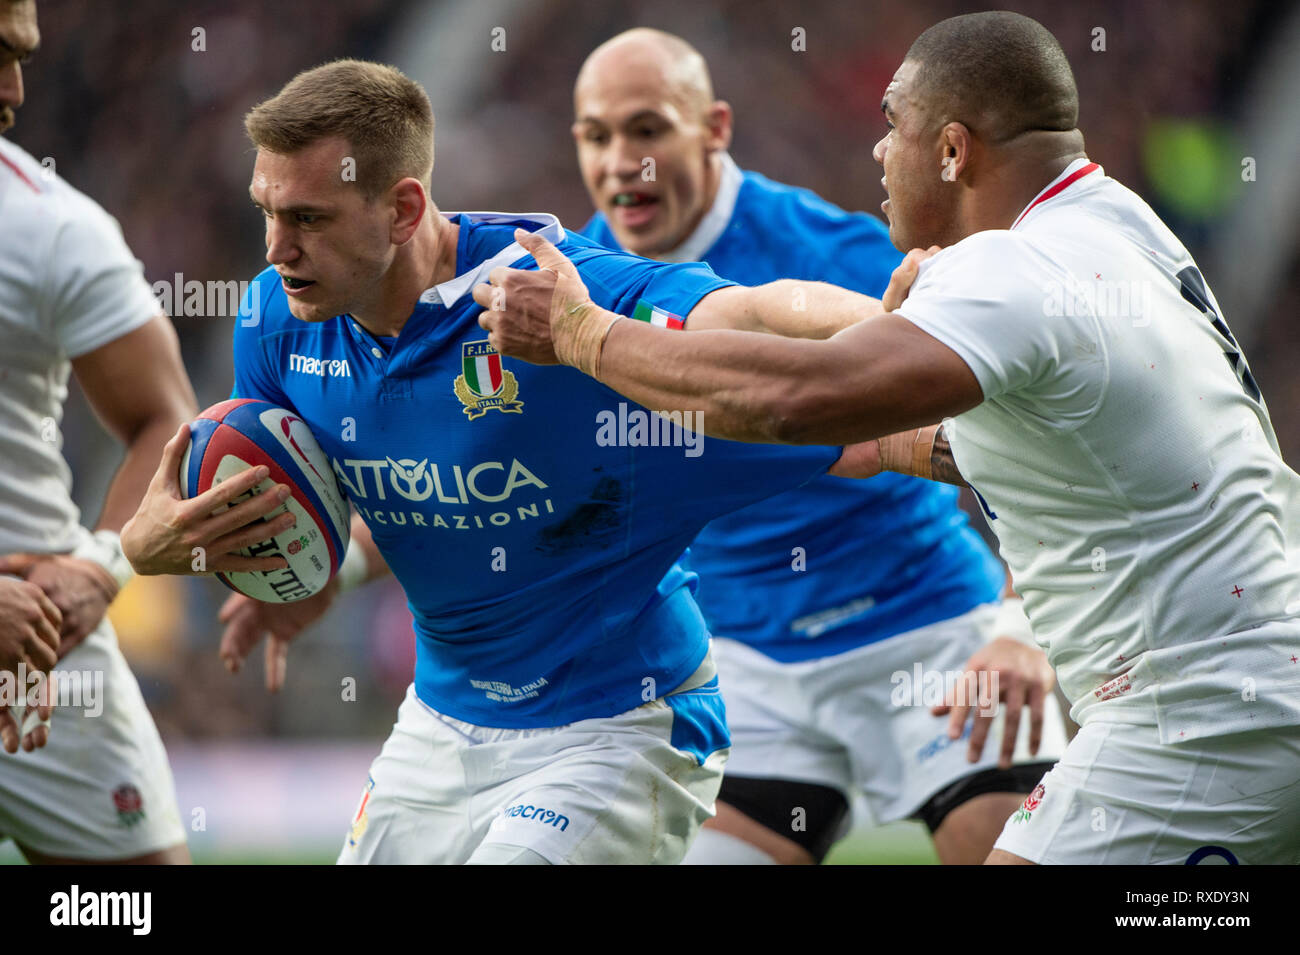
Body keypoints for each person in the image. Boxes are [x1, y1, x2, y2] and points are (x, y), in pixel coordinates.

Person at [477, 11, 1300, 865]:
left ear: (951, 150)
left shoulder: (1000, 268)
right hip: (1238, 669)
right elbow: (1011, 447)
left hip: (1191, 700)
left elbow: (797, 400)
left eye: (891, 126)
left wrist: (582, 336)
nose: (876, 152)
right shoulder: (1115, 220)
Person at [118, 58, 891, 865]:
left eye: (308, 218)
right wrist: (200, 553)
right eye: (266, 213)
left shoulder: (557, 295)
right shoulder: (276, 322)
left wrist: (901, 334)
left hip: (616, 726)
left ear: (404, 209)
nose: (276, 249)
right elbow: (390, 494)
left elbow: (753, 309)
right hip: (440, 724)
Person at [569, 28, 1064, 865]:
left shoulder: (837, 254)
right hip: (745, 664)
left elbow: (1027, 430)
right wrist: (343, 559)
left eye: (647, 129)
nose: (622, 160)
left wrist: (1024, 624)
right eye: (595, 135)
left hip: (930, 627)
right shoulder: (577, 281)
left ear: (714, 128)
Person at [0, 0, 192, 864]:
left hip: (43, 641)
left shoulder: (52, 230)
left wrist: (97, 568)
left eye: (23, 59)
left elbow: (169, 422)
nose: (11, 90)